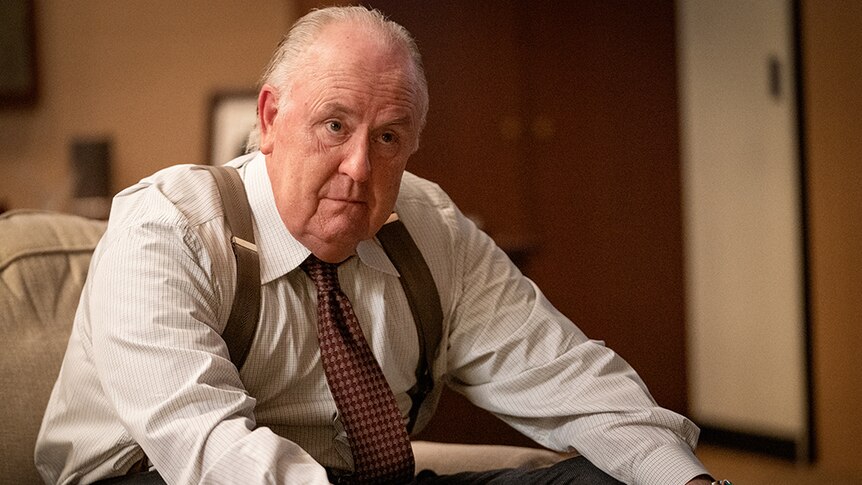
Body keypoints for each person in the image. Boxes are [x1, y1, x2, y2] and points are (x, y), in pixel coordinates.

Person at [35, 6, 723, 485]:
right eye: (335, 125)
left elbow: (569, 378)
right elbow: (204, 447)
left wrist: (689, 478)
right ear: (270, 118)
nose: (361, 167)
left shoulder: (432, 229)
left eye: (389, 137)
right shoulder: (167, 227)